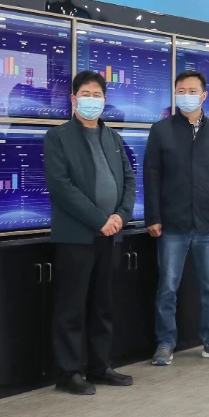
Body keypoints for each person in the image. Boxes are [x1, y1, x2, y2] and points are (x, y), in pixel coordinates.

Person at [43, 71, 137, 395]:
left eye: (97, 95)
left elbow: (129, 180)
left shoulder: (112, 137)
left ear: (105, 100)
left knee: (103, 304)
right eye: (86, 94)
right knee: (71, 307)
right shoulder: (58, 137)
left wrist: (121, 216)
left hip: (110, 236)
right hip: (76, 236)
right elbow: (62, 188)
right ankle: (68, 373)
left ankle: (100, 366)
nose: (92, 100)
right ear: (73, 99)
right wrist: (99, 220)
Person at [144, 69, 209, 366]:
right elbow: (151, 176)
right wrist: (153, 216)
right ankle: (165, 343)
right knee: (167, 287)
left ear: (204, 95)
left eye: (192, 90)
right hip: (172, 224)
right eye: (181, 90)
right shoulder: (161, 130)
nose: (186, 95)